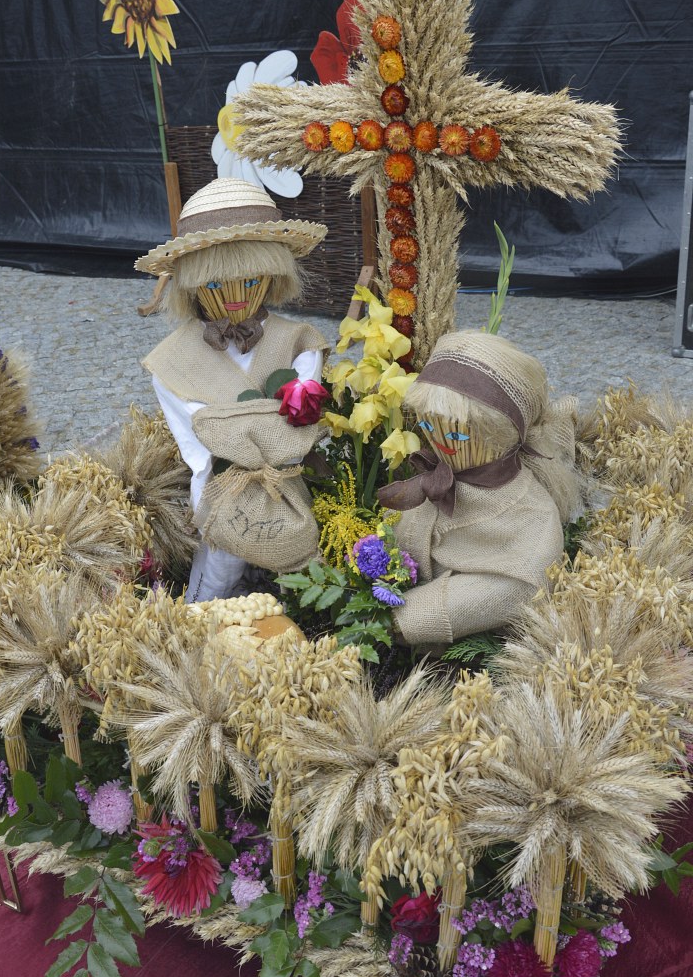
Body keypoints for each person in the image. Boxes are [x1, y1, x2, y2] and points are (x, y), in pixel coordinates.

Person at [137, 178, 329, 601]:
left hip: (290, 484)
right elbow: (202, 447)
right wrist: (264, 426)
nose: (236, 296)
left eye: (252, 279)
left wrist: (235, 428)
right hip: (222, 492)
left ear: (273, 273)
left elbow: (292, 441)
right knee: (217, 574)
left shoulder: (299, 341)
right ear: (192, 286)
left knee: (304, 571)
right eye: (214, 284)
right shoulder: (171, 361)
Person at [378, 329, 579, 646]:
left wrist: (409, 615)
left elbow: (522, 584)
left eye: (456, 435)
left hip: (470, 650)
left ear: (501, 433)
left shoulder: (533, 514)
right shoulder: (434, 478)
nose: (438, 442)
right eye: (427, 425)